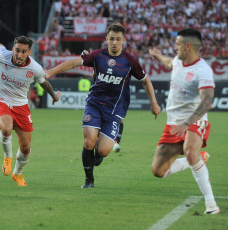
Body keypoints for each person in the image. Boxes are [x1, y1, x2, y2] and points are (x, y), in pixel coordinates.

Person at [45, 23, 161, 188]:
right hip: (94, 105)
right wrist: (51, 72)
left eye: (118, 39)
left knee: (103, 151)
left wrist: (154, 103)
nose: (114, 42)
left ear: (124, 40)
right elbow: (73, 63)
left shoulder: (130, 61)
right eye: (111, 38)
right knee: (89, 142)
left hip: (113, 111)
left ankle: (97, 157)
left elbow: (145, 81)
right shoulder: (98, 55)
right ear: (106, 39)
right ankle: (89, 180)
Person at [149, 28, 220, 215]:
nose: (175, 47)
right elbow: (169, 63)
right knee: (158, 171)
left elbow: (207, 102)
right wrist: (158, 55)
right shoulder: (178, 62)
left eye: (178, 44)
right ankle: (196, 159)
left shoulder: (203, 70)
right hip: (173, 123)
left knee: (189, 150)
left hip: (195, 119)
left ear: (188, 46)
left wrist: (187, 123)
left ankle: (211, 204)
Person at [0, 36, 61, 186]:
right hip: (0, 100)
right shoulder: (3, 56)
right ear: (13, 50)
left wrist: (54, 96)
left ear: (29, 52)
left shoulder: (34, 68)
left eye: (24, 52)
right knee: (6, 128)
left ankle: (17, 174)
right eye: (17, 50)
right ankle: (7, 157)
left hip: (21, 106)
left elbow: (44, 83)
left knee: (25, 148)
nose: (19, 55)